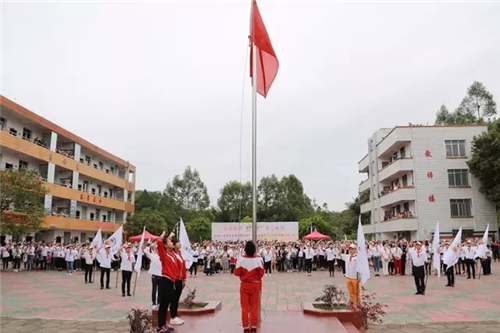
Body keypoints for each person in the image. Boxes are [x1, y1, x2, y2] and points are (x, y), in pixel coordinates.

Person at [234, 241, 264, 333]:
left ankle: (246, 327)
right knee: (254, 307)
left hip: (244, 285)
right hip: (255, 284)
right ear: (254, 250)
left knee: (244, 307)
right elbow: (261, 273)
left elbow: (237, 273)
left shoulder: (241, 259)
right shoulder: (259, 259)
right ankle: (254, 326)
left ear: (245, 250)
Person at [156, 232, 178, 333]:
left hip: (171, 281)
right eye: (169, 241)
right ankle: (161, 326)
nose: (172, 242)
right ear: (165, 245)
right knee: (163, 305)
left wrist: (170, 236)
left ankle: (164, 325)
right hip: (165, 280)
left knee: (167, 304)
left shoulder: (172, 254)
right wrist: (162, 236)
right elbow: (159, 242)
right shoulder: (164, 254)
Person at [170, 238, 187, 326]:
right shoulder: (171, 254)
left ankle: (175, 316)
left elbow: (183, 268)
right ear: (173, 245)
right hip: (174, 279)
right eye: (178, 242)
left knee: (176, 299)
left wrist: (184, 279)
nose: (180, 244)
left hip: (180, 279)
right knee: (173, 298)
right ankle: (172, 317)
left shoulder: (179, 254)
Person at [145, 243, 162, 309]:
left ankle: (159, 302)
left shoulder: (163, 257)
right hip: (154, 276)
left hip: (161, 276)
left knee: (160, 290)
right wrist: (149, 244)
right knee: (154, 290)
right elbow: (146, 252)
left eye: (158, 249)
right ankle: (154, 303)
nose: (158, 250)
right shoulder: (153, 256)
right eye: (157, 249)